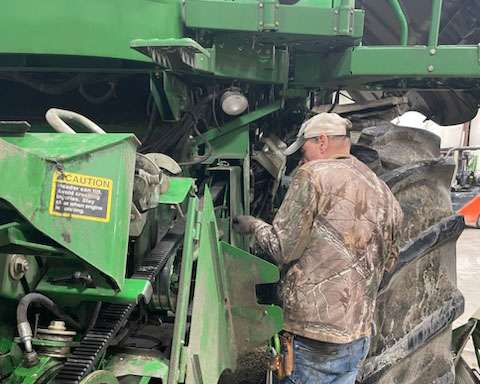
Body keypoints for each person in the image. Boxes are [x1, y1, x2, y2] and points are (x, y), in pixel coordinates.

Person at [233, 113, 403, 384]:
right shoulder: (382, 189)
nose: (303, 156)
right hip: (357, 336)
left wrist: (253, 225)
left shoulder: (314, 175)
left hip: (312, 337)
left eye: (305, 148)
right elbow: (389, 260)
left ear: (322, 141)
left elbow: (282, 248)